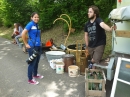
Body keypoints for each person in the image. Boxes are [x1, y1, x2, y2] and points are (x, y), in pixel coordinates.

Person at [22, 12, 43, 85]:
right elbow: (23, 33)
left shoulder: (37, 25)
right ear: (31, 18)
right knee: (32, 63)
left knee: (36, 61)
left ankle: (35, 74)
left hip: (38, 46)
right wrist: (26, 44)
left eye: (38, 17)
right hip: (32, 47)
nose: (37, 18)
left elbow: (38, 35)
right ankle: (30, 79)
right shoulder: (30, 24)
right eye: (35, 17)